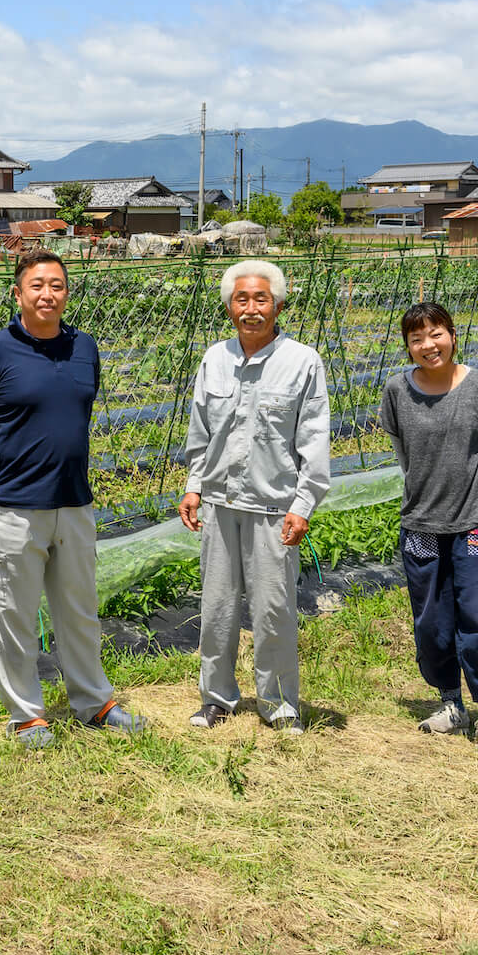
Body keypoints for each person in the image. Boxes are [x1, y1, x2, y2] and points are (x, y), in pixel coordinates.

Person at [0, 250, 146, 748]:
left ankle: (93, 701)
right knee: (14, 612)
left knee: (79, 608)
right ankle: (26, 715)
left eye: (56, 285)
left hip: (75, 501)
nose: (47, 294)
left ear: (66, 293)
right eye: (36, 286)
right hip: (16, 506)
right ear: (17, 294)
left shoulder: (84, 348)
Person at [177, 260, 330, 733]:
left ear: (279, 304)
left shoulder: (303, 362)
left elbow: (314, 439)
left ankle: (280, 703)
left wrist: (303, 505)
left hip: (273, 506)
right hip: (220, 503)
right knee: (217, 607)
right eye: (241, 300)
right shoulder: (213, 359)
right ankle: (217, 698)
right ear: (229, 308)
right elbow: (201, 431)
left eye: (260, 299)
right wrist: (193, 485)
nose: (250, 309)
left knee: (273, 609)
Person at [379, 301, 478, 754]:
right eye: (416, 339)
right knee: (433, 621)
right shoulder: (397, 391)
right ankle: (449, 705)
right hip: (422, 522)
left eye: (435, 333)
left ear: (453, 335)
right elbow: (406, 456)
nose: (427, 345)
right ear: (407, 347)